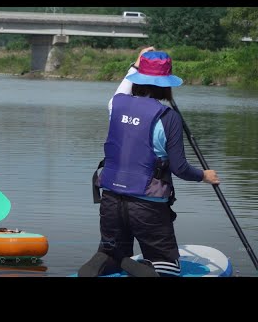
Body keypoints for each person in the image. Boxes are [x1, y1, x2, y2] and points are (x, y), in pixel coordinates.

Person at [79, 47, 220, 277]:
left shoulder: (116, 104)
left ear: (138, 79)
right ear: (167, 84)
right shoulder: (168, 117)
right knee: (169, 269)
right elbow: (179, 168)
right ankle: (150, 269)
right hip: (147, 207)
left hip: (111, 201)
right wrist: (204, 176)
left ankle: (107, 258)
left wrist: (137, 62)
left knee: (115, 251)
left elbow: (124, 87)